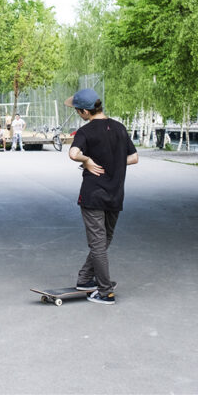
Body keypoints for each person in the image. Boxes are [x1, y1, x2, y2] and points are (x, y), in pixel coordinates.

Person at [65, 88, 139, 305]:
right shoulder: (119, 128)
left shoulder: (86, 132)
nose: (79, 115)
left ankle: (105, 291)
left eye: (78, 112)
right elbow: (134, 157)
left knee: (98, 242)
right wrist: (114, 162)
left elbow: (73, 153)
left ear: (85, 112)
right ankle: (86, 278)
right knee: (104, 239)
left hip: (93, 194)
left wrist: (87, 160)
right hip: (115, 193)